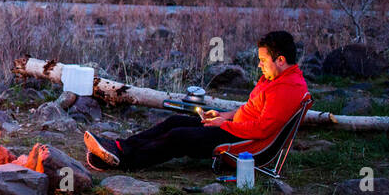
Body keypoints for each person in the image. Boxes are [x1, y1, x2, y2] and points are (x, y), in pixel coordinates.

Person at [84, 31, 309, 172]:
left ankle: (124, 161)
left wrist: (225, 125)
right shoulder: (276, 79)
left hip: (244, 144)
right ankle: (121, 146)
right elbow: (252, 110)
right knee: (174, 121)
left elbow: (261, 128)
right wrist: (224, 116)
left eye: (262, 60)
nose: (259, 65)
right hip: (236, 128)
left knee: (179, 137)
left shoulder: (287, 88)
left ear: (280, 60)